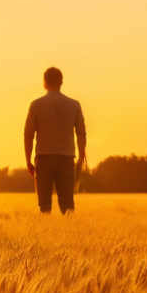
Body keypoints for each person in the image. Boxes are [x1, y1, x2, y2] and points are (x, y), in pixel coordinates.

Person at [23, 66, 86, 214]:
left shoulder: (36, 105)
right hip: (66, 158)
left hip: (43, 158)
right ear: (61, 82)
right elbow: (81, 134)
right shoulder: (74, 104)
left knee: (44, 204)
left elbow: (28, 135)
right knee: (68, 204)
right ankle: (70, 234)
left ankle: (46, 231)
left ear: (44, 82)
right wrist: (81, 156)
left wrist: (28, 160)